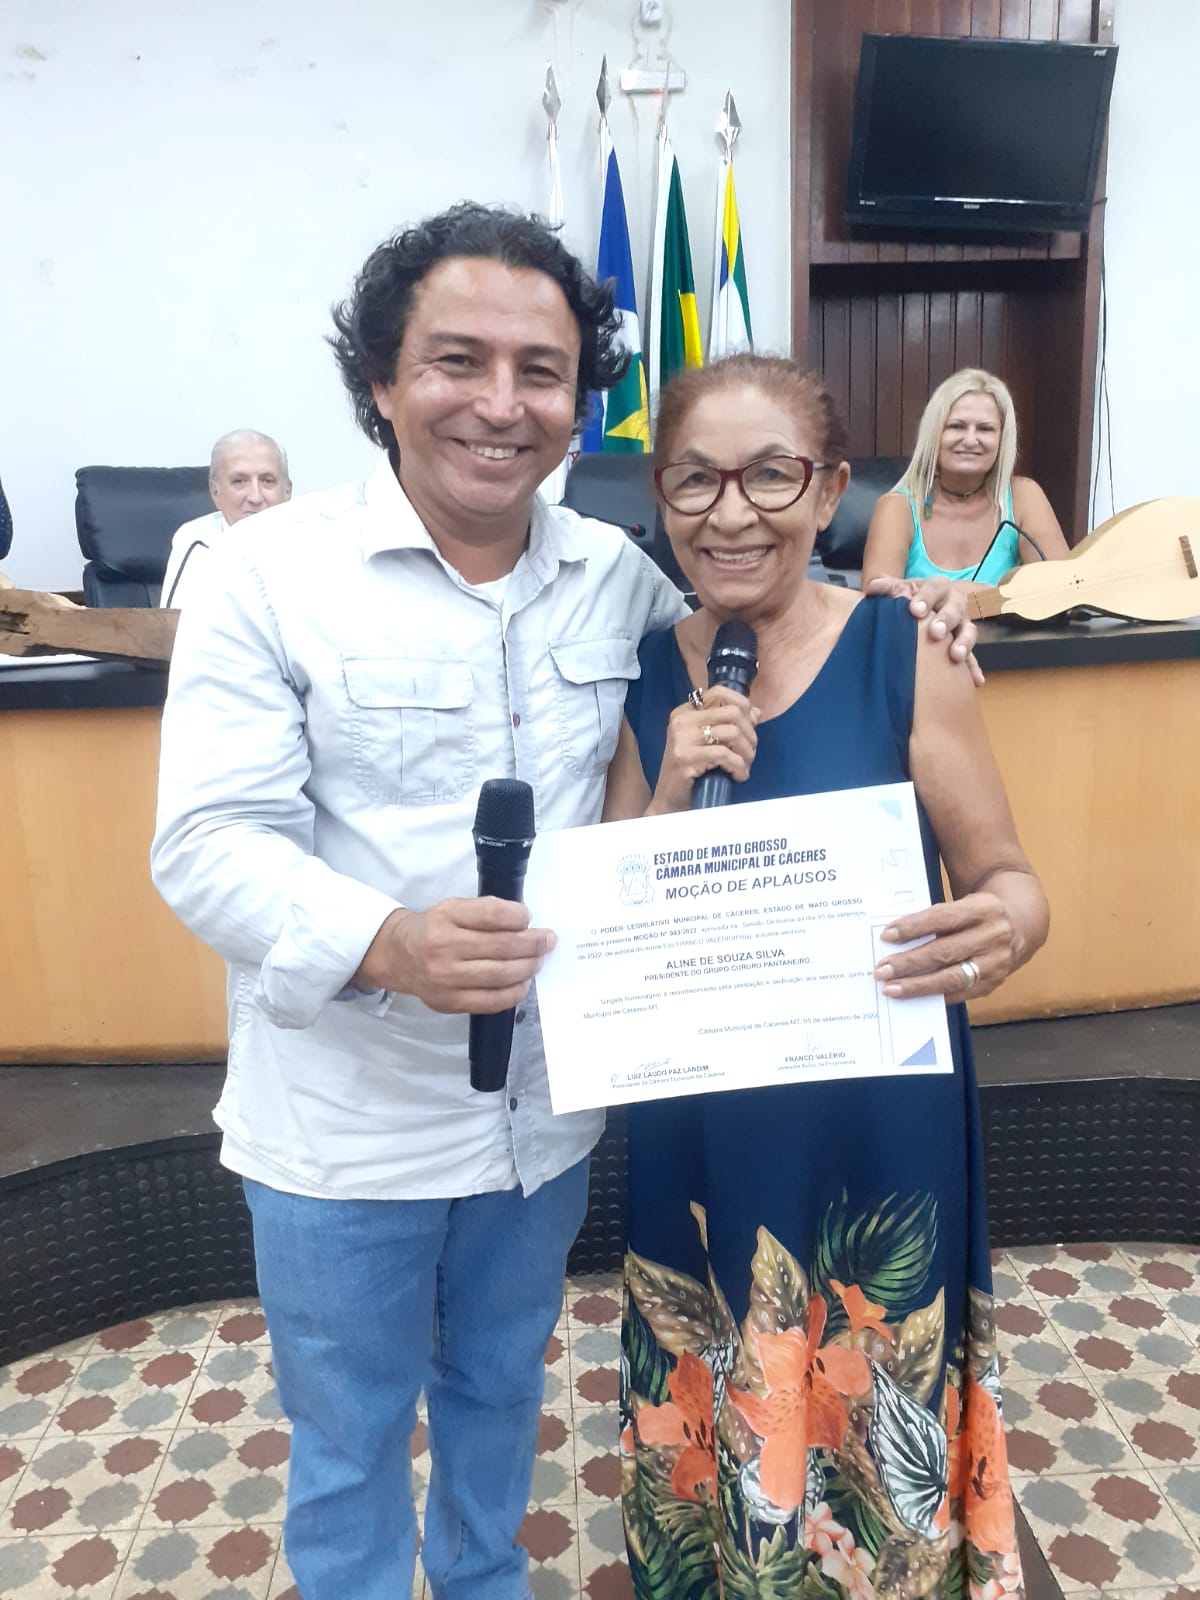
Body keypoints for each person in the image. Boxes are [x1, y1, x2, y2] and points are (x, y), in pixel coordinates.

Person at [151, 204, 983, 1600]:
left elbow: (763, 591)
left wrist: (908, 604)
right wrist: (389, 943)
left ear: (577, 402)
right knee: (348, 1451)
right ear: (380, 381)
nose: (501, 402)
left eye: (539, 371)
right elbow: (204, 843)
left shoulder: (616, 579)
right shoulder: (267, 575)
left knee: (497, 1411)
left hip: (543, 1123)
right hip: (347, 1124)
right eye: (456, 360)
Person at [603, 354, 1048, 1600]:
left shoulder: (906, 648)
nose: (730, 512)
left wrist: (1005, 930)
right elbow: (603, 924)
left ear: (829, 488)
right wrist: (672, 784)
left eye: (769, 475)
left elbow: (1011, 879)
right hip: (703, 1127)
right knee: (721, 1414)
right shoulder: (644, 672)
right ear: (661, 495)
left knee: (872, 1420)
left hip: (875, 1125)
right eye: (695, 479)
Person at [861, 367, 1069, 592]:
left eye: (985, 429)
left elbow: (1064, 592)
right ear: (934, 434)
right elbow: (878, 605)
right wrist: (992, 595)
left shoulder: (1023, 497)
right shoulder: (897, 507)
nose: (970, 440)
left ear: (1002, 439)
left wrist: (955, 592)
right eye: (956, 426)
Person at [158, 429, 291, 607]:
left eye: (267, 481)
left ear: (287, 491)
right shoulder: (196, 542)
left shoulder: (314, 543)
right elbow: (175, 623)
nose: (255, 497)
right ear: (215, 492)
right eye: (239, 481)